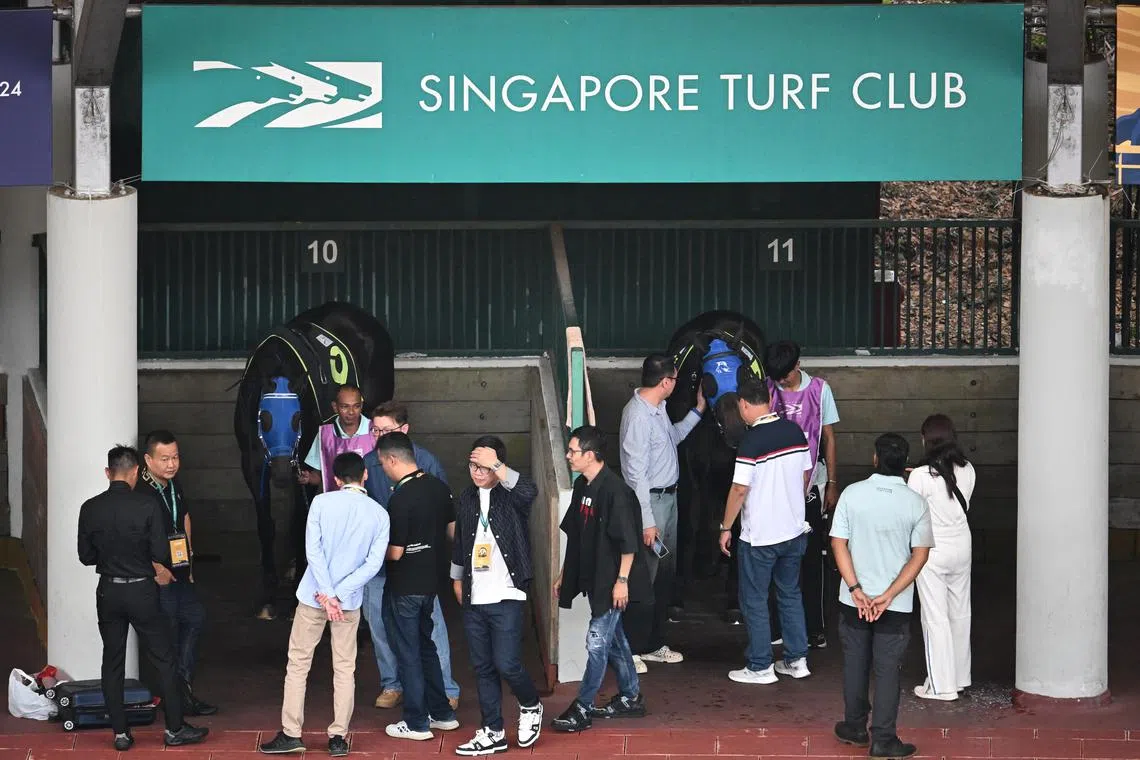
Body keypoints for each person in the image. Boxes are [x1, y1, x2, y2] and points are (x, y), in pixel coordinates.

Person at [77, 445, 208, 751]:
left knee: (112, 660)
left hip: (108, 590)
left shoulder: (89, 508)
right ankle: (174, 729)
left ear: (108, 473)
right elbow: (161, 553)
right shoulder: (146, 506)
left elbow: (85, 557)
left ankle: (121, 734)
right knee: (163, 658)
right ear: (136, 472)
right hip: (142, 590)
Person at [259, 452, 389, 757]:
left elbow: (312, 551)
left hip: (313, 596)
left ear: (334, 478)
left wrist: (327, 592)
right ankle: (338, 737)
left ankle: (292, 733)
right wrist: (339, 595)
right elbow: (372, 565)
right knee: (345, 667)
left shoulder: (321, 502)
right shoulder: (379, 514)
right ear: (365, 476)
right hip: (348, 602)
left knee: (298, 665)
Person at [830, 434, 933, 760]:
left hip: (854, 601)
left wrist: (856, 589)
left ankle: (855, 727)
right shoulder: (916, 503)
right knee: (888, 670)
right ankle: (884, 739)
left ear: (875, 459)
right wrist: (888, 595)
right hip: (895, 604)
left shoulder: (852, 494)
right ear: (905, 465)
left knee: (856, 664)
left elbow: (838, 544)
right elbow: (919, 556)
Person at [362, 401, 460, 712]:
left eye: (385, 430)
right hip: (378, 561)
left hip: (416, 562)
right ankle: (392, 684)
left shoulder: (427, 462)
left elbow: (445, 514)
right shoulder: (367, 463)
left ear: (404, 430)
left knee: (432, 625)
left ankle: (445, 687)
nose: (378, 435)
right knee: (378, 622)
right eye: (375, 429)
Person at [552, 426, 650, 733]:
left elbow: (628, 543)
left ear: (590, 455)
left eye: (573, 451)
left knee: (597, 642)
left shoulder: (616, 492)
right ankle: (631, 696)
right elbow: (578, 535)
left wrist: (622, 580)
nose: (568, 456)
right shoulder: (583, 486)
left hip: (611, 582)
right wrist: (565, 573)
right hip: (596, 578)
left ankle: (582, 707)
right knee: (613, 639)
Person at [450, 436, 544, 756]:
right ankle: (492, 731)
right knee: (482, 666)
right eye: (473, 465)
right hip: (475, 594)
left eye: (484, 466)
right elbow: (461, 540)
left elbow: (530, 491)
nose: (477, 472)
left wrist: (498, 466)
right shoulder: (466, 497)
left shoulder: (510, 494)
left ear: (497, 466)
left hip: (507, 593)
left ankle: (530, 705)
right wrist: (456, 578)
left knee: (507, 663)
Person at [718, 377, 814, 685]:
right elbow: (804, 476)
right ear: (769, 400)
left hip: (760, 536)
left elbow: (738, 489)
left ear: (744, 405)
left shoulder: (751, 442)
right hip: (794, 531)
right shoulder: (795, 432)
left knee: (755, 599)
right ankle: (797, 660)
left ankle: (760, 666)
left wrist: (725, 526)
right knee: (789, 593)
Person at [618, 354, 706, 671]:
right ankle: (630, 649)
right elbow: (635, 474)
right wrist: (647, 520)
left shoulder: (658, 409)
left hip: (667, 499)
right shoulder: (639, 417)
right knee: (644, 578)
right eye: (674, 379)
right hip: (651, 504)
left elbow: (674, 439)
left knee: (662, 577)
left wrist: (698, 412)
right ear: (666, 382)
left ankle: (653, 643)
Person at [765, 340, 841, 650]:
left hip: (810, 486)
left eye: (784, 375)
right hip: (775, 488)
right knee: (774, 557)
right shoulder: (768, 388)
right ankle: (776, 625)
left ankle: (815, 627)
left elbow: (829, 438)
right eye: (776, 377)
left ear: (797, 365)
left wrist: (833, 482)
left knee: (811, 559)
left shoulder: (820, 389)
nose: (780, 381)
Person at [136, 429, 217, 716]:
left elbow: (183, 517)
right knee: (167, 634)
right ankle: (171, 698)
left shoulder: (173, 484)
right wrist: (154, 568)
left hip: (181, 570)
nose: (171, 464)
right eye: (164, 459)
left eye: (175, 457)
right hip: (158, 577)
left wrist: (190, 560)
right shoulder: (140, 491)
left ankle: (183, 689)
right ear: (148, 459)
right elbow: (134, 536)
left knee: (195, 619)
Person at [907, 414, 975, 701]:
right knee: (960, 613)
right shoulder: (968, 468)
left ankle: (940, 686)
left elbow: (911, 512)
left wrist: (912, 477)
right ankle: (960, 678)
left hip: (933, 551)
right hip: (962, 545)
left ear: (926, 439)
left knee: (935, 617)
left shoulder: (920, 476)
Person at [297, 384, 373, 492]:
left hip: (369, 502)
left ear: (361, 405)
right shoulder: (325, 435)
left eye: (356, 406)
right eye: (345, 407)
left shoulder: (374, 430)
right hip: (336, 502)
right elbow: (321, 476)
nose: (351, 412)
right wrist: (309, 477)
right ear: (335, 407)